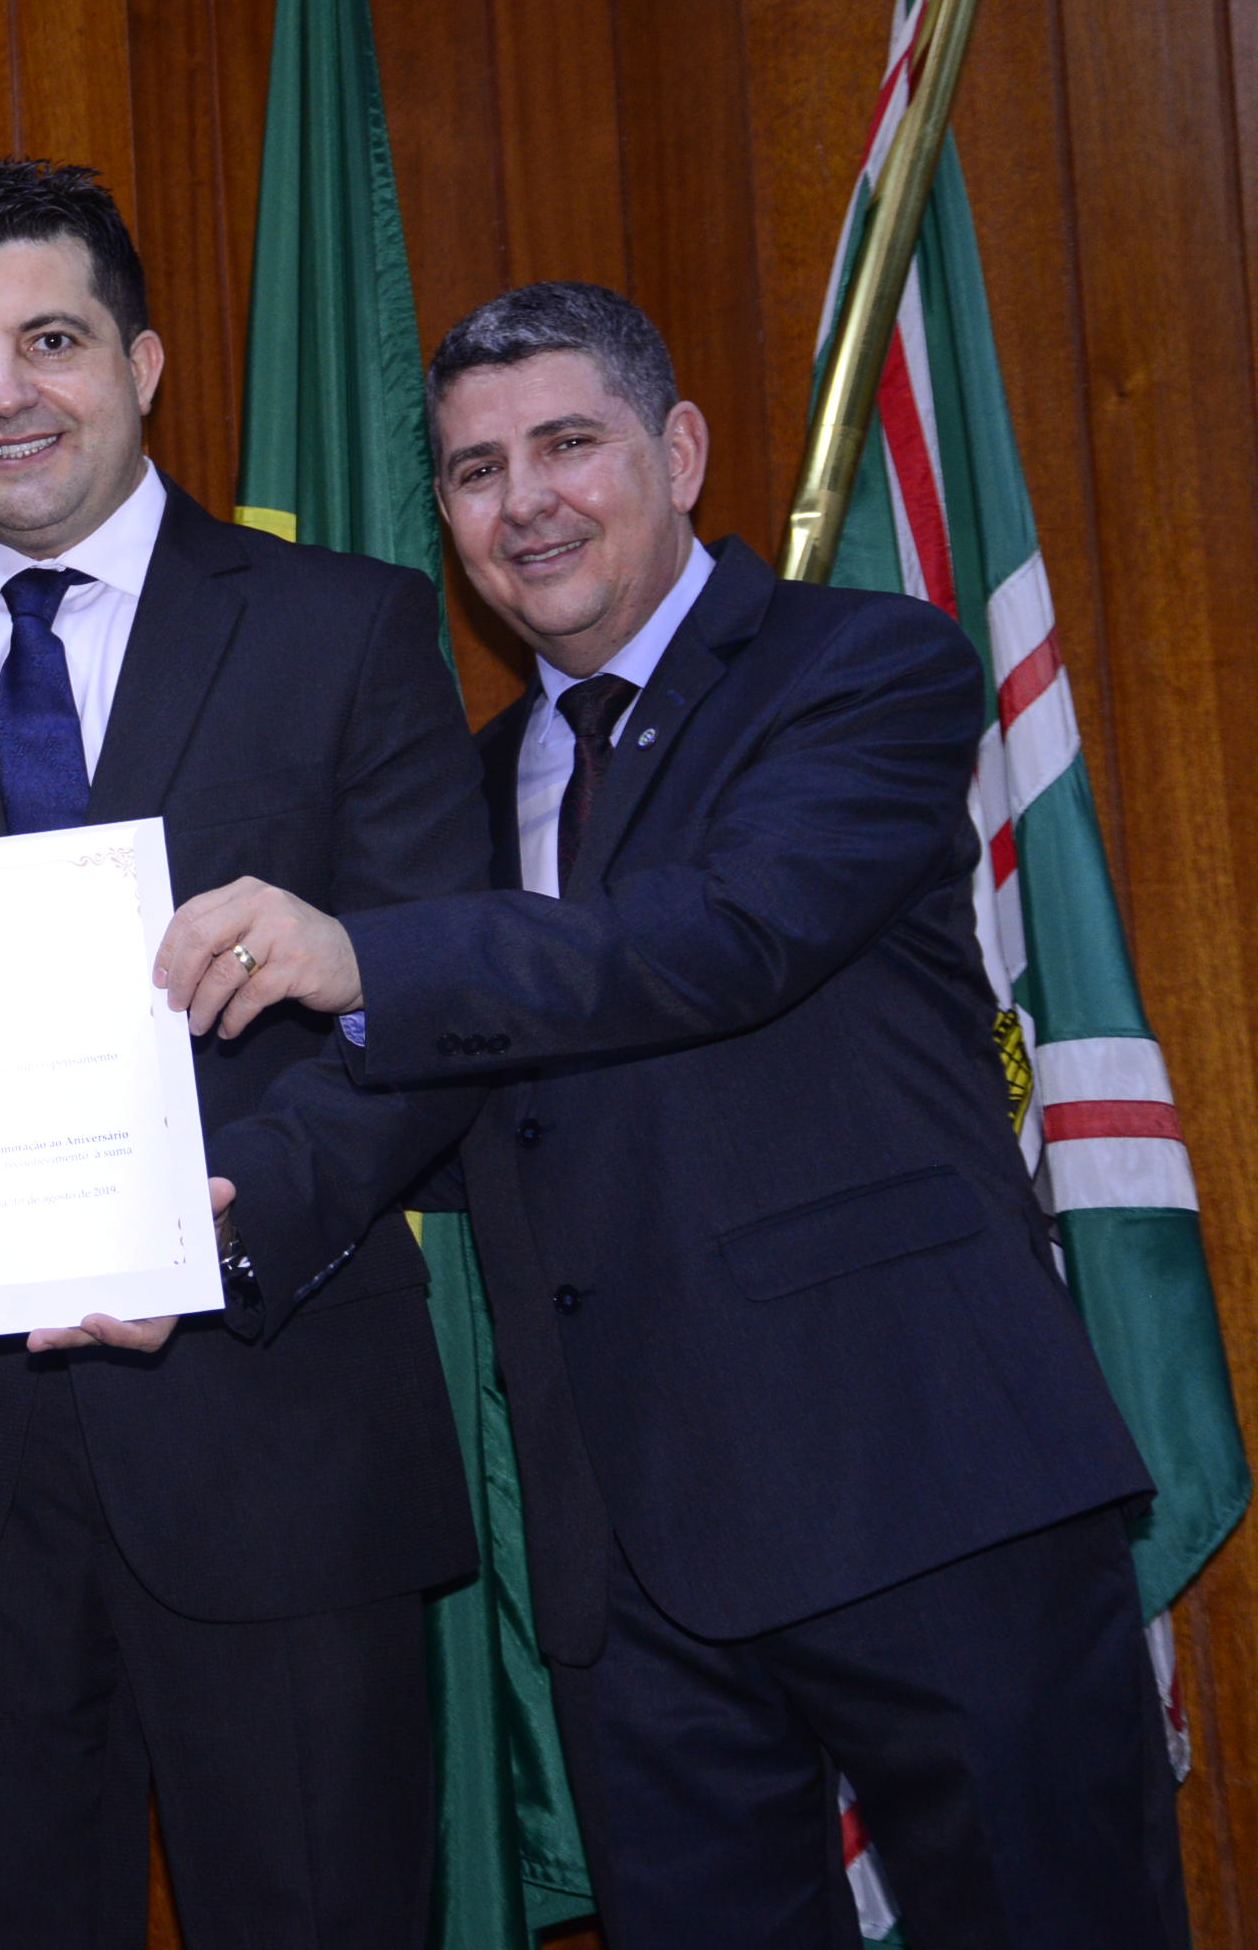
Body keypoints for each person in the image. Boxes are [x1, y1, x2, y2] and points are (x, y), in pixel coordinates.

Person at [166, 281, 1182, 1948]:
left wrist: (365, 953)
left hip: (927, 1494)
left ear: (683, 452)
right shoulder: (471, 786)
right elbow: (417, 1081)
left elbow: (723, 936)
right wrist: (189, 1217)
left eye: (569, 443)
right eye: (477, 470)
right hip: (630, 1566)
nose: (525, 502)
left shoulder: (864, 667)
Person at [0, 159, 488, 1950]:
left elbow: (435, 997)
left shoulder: (346, 626)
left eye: (51, 341)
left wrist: (215, 1237)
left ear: (143, 363)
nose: (6, 394)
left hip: (278, 1432)